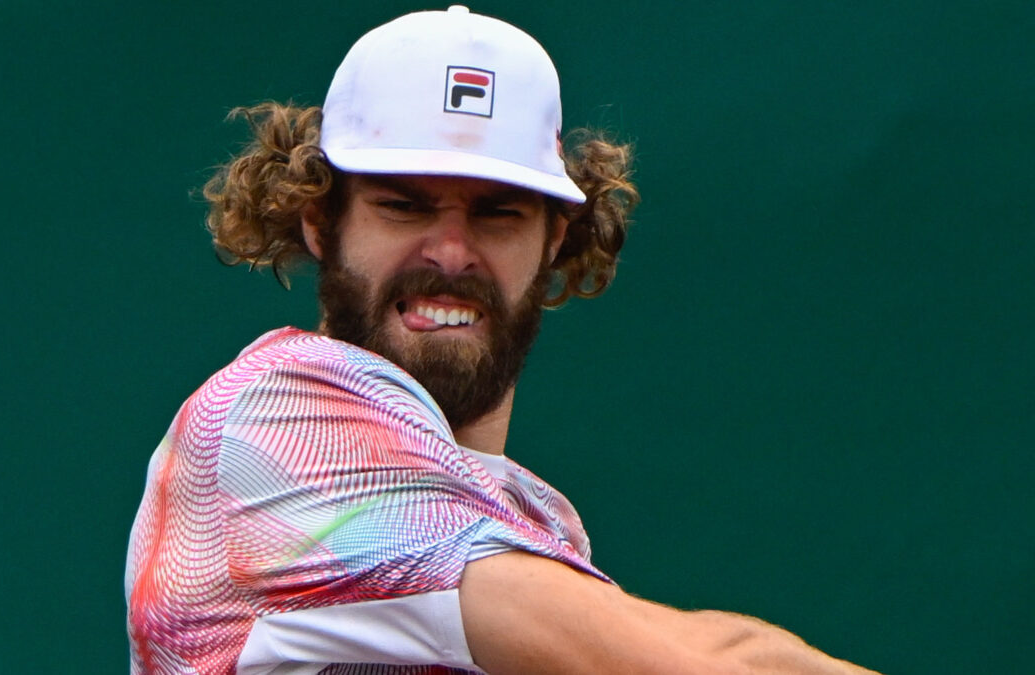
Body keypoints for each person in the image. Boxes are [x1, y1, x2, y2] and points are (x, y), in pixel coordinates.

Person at [126, 7, 877, 674]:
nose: (451, 252)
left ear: (557, 239)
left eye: (498, 213)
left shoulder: (530, 522)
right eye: (403, 206)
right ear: (319, 220)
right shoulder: (280, 421)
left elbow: (726, 650)